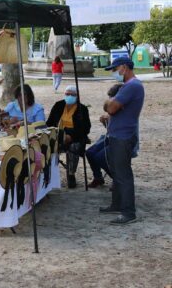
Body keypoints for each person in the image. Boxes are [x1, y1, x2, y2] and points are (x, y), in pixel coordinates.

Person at [101, 56, 145, 225]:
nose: (114, 73)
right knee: (117, 173)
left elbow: (111, 108)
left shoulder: (131, 86)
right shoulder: (129, 86)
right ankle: (117, 204)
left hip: (123, 136)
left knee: (123, 174)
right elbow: (113, 107)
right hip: (119, 134)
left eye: (115, 69)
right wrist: (112, 104)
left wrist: (110, 103)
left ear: (124, 67)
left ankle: (128, 212)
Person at [46, 85, 91, 188]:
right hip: (58, 134)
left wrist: (71, 136)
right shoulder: (58, 105)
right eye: (67, 94)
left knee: (74, 146)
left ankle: (71, 174)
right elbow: (49, 123)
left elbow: (86, 128)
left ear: (77, 96)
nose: (69, 96)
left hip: (75, 136)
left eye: (72, 94)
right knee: (45, 145)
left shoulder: (82, 109)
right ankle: (49, 174)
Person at [86, 83, 123, 188]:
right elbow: (110, 129)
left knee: (100, 157)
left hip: (121, 141)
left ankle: (118, 179)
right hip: (110, 137)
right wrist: (105, 121)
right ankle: (98, 178)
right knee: (90, 152)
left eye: (112, 99)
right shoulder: (113, 109)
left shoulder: (125, 110)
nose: (110, 101)